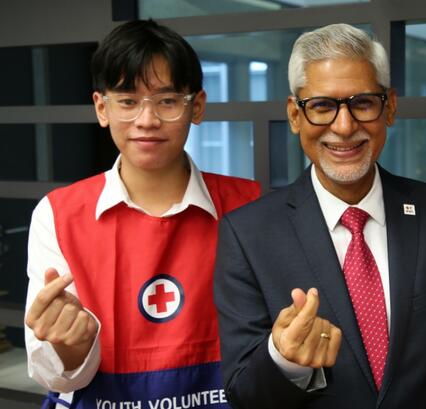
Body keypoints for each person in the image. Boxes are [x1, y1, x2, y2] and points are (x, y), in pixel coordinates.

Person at [214, 23, 426, 409]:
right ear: (294, 115)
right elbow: (245, 394)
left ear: (389, 106)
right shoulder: (248, 234)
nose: (344, 126)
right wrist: (284, 359)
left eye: (362, 103)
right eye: (322, 106)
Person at [24, 20, 260, 408]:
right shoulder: (58, 214)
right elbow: (55, 376)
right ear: (102, 108)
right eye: (128, 101)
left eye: (167, 101)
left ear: (196, 106)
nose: (146, 120)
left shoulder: (248, 204)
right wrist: (71, 346)